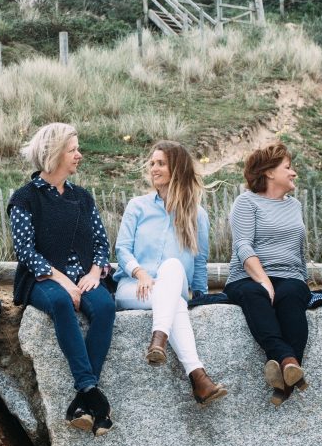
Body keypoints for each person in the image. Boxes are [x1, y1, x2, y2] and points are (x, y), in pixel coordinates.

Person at [8, 123, 116, 436]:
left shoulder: (82, 197)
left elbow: (100, 241)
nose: (79, 155)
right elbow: (25, 251)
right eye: (73, 150)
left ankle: (83, 400)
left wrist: (95, 272)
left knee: (105, 307)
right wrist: (64, 282)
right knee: (59, 302)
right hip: (42, 279)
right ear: (54, 154)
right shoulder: (24, 198)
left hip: (86, 275)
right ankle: (91, 391)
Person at [114, 141, 227, 405]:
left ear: (177, 168)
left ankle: (160, 341)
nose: (154, 168)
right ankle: (197, 375)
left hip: (171, 289)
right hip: (135, 288)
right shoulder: (138, 206)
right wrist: (140, 273)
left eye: (160, 163)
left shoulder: (196, 215)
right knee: (173, 299)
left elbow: (199, 261)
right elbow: (122, 249)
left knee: (174, 268)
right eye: (152, 163)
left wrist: (198, 294)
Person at [223, 142, 310, 407]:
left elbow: (299, 249)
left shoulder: (294, 206)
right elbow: (243, 246)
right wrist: (263, 280)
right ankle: (288, 362)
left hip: (290, 275)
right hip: (247, 277)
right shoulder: (246, 202)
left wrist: (301, 281)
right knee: (256, 294)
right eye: (288, 167)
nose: (293, 172)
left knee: (292, 295)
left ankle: (285, 372)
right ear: (270, 172)